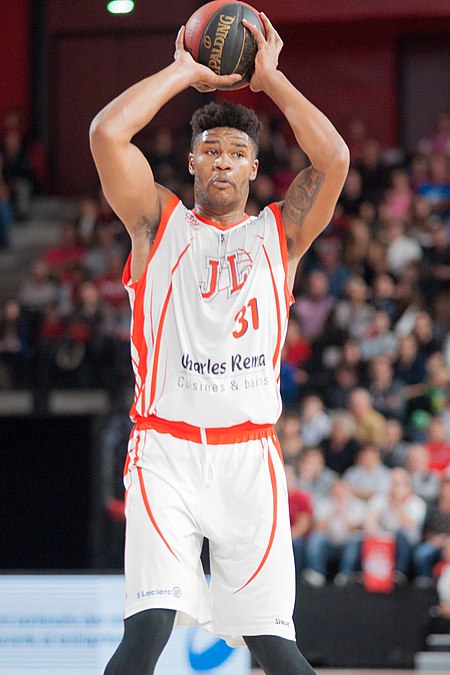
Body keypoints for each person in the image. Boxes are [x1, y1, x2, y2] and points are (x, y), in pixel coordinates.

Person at [89, 12, 349, 675]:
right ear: (193, 159)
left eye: (237, 151)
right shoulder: (158, 222)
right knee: (145, 633)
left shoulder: (280, 236)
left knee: (274, 646)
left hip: (249, 458)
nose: (225, 160)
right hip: (165, 452)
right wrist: (183, 70)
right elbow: (106, 133)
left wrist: (274, 79)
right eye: (212, 150)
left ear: (255, 164)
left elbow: (335, 159)